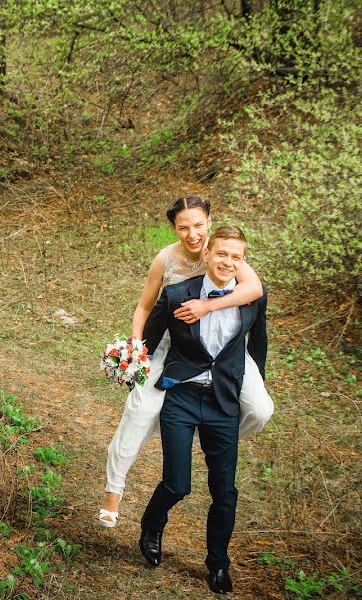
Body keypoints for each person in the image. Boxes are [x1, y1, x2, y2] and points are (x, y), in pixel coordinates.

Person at [98, 196, 273, 528]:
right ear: (174, 229)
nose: (192, 234)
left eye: (197, 225)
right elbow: (145, 305)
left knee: (261, 409)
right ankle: (113, 491)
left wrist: (207, 307)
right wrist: (137, 343)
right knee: (141, 407)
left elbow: (253, 290)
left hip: (223, 346)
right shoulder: (165, 259)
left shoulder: (223, 249)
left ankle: (196, 430)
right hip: (173, 341)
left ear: (208, 221)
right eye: (183, 228)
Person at [138, 224, 267, 594]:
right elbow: (148, 337)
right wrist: (130, 364)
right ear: (208, 253)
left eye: (236, 257)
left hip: (222, 402)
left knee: (224, 491)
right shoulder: (178, 293)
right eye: (222, 253)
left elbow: (257, 347)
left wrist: (253, 388)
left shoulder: (252, 298)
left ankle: (218, 564)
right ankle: (152, 522)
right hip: (180, 398)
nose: (227, 261)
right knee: (178, 484)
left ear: (242, 262)